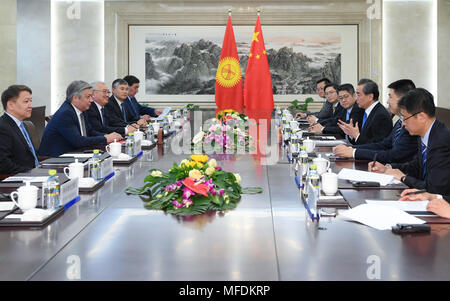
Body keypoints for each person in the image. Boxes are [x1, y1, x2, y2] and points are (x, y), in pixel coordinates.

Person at [369, 88, 450, 195]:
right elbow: (416, 166)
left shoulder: (442, 141)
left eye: (405, 118)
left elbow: (434, 189)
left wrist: (403, 178)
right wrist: (387, 168)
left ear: (421, 117)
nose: (403, 123)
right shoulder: (425, 134)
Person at [333, 79, 418, 163]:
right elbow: (384, 144)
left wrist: (354, 151)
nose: (387, 101)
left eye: (390, 97)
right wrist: (351, 149)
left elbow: (393, 154)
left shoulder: (384, 116)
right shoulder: (399, 121)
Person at [39, 81, 122, 157]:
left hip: (76, 153)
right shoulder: (65, 113)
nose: (91, 100)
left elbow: (90, 131)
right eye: (88, 97)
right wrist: (105, 139)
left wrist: (107, 136)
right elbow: (78, 141)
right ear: (75, 98)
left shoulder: (82, 110)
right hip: (56, 158)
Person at [337, 79, 392, 145]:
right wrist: (351, 134)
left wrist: (356, 135)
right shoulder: (365, 111)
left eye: (358, 95)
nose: (356, 98)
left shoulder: (381, 115)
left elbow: (378, 146)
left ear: (370, 97)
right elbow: (361, 139)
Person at [0, 85, 39, 174]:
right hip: (18, 179)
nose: (30, 106)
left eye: (31, 101)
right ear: (10, 105)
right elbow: (4, 165)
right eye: (26, 101)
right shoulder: (2, 127)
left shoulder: (22, 125)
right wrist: (32, 172)